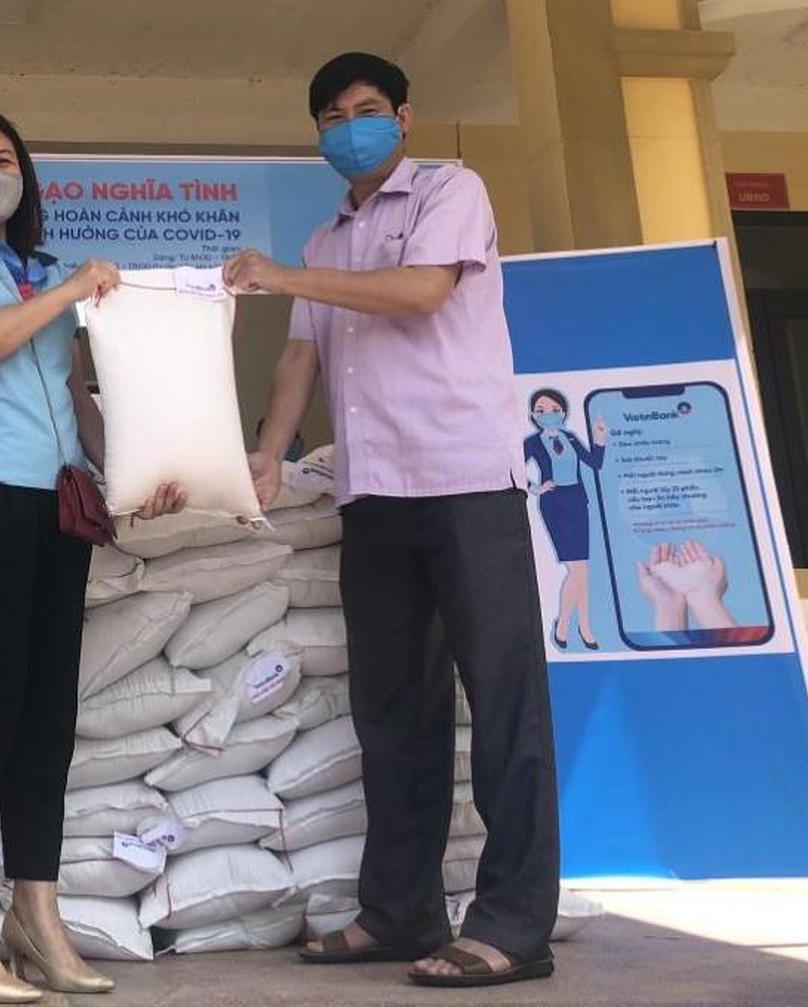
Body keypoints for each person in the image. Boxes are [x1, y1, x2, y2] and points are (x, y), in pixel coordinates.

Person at [225, 53, 559, 988]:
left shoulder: (452, 190)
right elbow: (302, 356)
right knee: (393, 715)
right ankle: (402, 910)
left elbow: (420, 292)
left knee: (504, 705)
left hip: (466, 483)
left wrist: (283, 273)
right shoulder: (325, 240)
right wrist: (271, 452)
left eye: (366, 110)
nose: (351, 129)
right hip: (371, 493)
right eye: (332, 118)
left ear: (405, 118)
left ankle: (515, 924)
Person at [0, 106, 183, 1003]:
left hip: (58, 503)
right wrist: (67, 295)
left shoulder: (41, 269)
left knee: (46, 712)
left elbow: (73, 396)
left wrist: (133, 471)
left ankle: (35, 911)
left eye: (5, 159)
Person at [524, 390, 607, 650]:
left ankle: (576, 624)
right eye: (540, 410)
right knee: (579, 570)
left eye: (553, 409)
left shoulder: (570, 437)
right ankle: (575, 626)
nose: (547, 414)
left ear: (562, 412)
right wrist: (535, 487)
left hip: (578, 502)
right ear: (533, 415)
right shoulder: (532, 442)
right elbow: (513, 466)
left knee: (582, 569)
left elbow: (594, 463)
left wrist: (600, 439)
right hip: (555, 503)